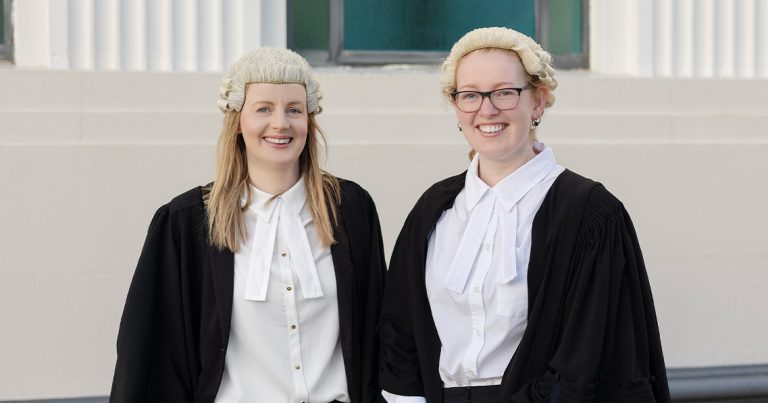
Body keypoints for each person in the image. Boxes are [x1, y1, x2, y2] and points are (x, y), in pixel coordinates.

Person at [379, 27, 670, 403]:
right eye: (470, 95)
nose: (487, 109)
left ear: (538, 102)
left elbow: (588, 361)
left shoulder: (592, 214)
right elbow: (399, 329)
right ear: (456, 107)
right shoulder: (434, 209)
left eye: (504, 92)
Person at [111, 48, 386, 403]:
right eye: (263, 109)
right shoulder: (187, 223)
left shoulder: (350, 210)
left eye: (294, 110)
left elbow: (380, 331)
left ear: (309, 119)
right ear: (237, 121)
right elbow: (154, 355)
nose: (281, 123)